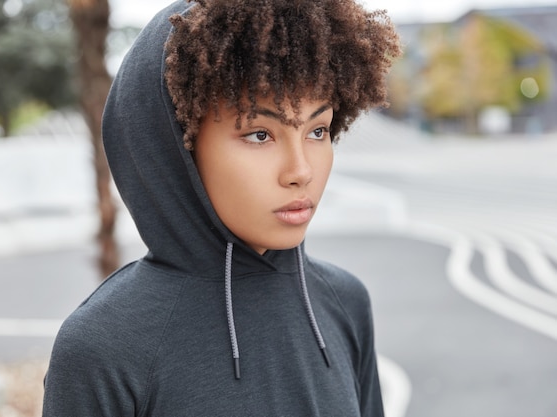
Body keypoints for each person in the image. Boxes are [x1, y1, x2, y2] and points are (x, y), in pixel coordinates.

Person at [42, 0, 401, 415]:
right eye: (260, 135)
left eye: (317, 130)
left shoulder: (344, 303)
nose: (301, 171)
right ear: (178, 148)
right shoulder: (104, 346)